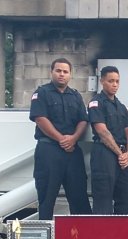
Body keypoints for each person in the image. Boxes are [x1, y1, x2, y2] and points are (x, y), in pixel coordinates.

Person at [29, 58, 91, 219]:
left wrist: (74, 138)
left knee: (79, 198)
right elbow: (40, 119)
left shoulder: (76, 96)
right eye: (58, 71)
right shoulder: (41, 93)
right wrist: (62, 139)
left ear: (70, 75)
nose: (62, 74)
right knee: (47, 198)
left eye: (65, 71)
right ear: (52, 72)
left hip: (72, 152)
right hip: (49, 151)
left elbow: (83, 120)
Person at [88, 66, 128, 214]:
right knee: (103, 198)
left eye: (117, 81)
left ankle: (123, 235)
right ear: (102, 81)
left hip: (122, 156)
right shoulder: (96, 103)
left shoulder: (121, 107)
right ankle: (102, 237)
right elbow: (102, 132)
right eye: (111, 81)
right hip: (104, 154)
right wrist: (120, 154)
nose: (115, 84)